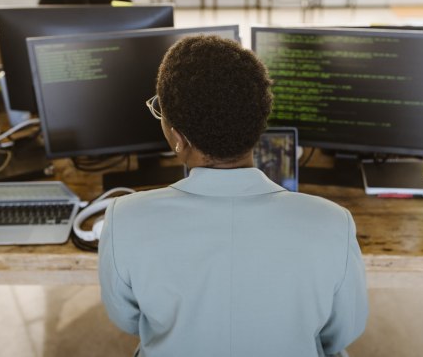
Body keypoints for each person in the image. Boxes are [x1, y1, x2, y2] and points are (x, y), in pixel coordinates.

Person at [98, 35, 368, 357]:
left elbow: (128, 320)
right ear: (259, 126)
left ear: (178, 138)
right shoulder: (333, 222)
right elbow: (342, 333)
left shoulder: (123, 218)